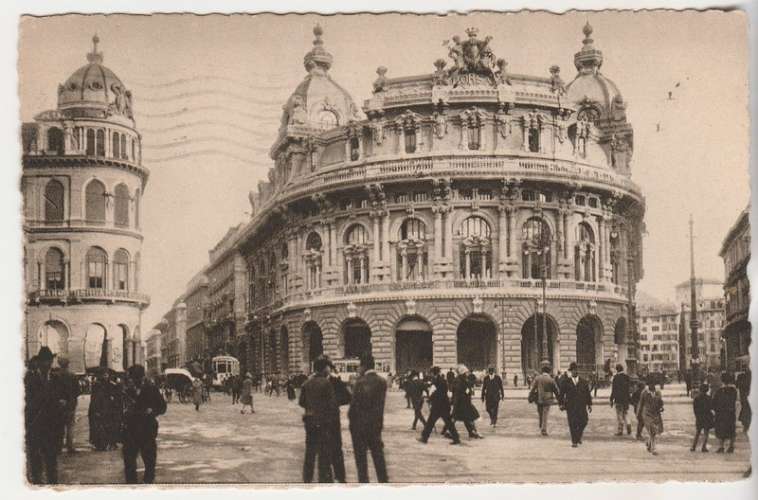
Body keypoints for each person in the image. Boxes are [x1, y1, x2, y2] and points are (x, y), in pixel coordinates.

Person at [25, 348, 66, 484]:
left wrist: (62, 403)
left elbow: (62, 400)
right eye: (44, 361)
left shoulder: (56, 379)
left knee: (51, 463)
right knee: (36, 463)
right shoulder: (29, 379)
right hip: (35, 426)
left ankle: (52, 488)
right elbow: (27, 402)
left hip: (52, 428)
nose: (47, 364)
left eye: (49, 360)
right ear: (39, 362)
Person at [122, 364, 167, 484]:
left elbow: (162, 407)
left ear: (142, 377)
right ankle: (131, 485)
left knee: (149, 459)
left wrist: (153, 410)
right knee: (129, 460)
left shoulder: (151, 389)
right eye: (132, 378)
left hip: (147, 428)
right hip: (130, 429)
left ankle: (148, 482)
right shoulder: (125, 390)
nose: (134, 381)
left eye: (137, 378)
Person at [348, 354, 389, 483]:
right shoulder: (382, 382)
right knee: (378, 458)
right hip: (376, 425)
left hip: (360, 427)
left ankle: (364, 486)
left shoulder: (360, 383)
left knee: (361, 462)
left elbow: (354, 407)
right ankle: (384, 483)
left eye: (359, 366)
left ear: (364, 366)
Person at [299, 356, 339, 483]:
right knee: (324, 454)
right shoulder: (326, 383)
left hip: (310, 422)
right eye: (327, 367)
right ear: (323, 369)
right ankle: (324, 481)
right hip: (323, 423)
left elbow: (301, 402)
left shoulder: (306, 383)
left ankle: (307, 479)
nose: (329, 369)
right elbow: (332, 404)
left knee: (310, 453)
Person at [418, 366, 460, 445]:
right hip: (443, 405)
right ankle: (456, 438)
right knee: (448, 423)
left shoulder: (438, 381)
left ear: (434, 373)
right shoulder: (441, 380)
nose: (431, 374)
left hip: (439, 406)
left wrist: (430, 399)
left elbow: (438, 393)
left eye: (431, 373)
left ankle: (424, 438)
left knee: (431, 422)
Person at [559, 362, 592, 448]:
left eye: (576, 370)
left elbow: (587, 394)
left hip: (581, 405)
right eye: (573, 370)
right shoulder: (566, 382)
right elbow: (561, 394)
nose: (575, 371)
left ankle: (578, 436)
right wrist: (561, 404)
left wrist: (589, 404)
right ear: (571, 371)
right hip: (570, 406)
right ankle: (574, 441)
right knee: (572, 423)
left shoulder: (584, 382)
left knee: (584, 421)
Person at [328, 366, 351, 483]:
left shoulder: (335, 382)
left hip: (325, 420)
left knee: (331, 448)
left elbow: (347, 397)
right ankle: (334, 477)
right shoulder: (333, 381)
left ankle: (335, 477)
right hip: (326, 420)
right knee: (330, 448)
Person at [55, 356, 80, 454]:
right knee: (70, 426)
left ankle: (58, 447)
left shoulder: (56, 376)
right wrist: (72, 399)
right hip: (70, 404)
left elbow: (54, 391)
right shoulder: (73, 376)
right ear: (68, 365)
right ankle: (70, 447)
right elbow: (77, 391)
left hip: (59, 404)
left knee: (59, 426)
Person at [451, 365, 483, 439]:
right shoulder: (459, 381)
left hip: (465, 403)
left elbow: (467, 389)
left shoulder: (464, 380)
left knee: (468, 419)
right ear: (462, 373)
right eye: (466, 373)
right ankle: (450, 431)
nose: (467, 374)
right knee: (460, 418)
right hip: (461, 404)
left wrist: (470, 390)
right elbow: (457, 393)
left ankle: (472, 432)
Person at [530, 362, 559, 436]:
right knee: (545, 414)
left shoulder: (538, 378)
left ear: (542, 371)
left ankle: (541, 424)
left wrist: (530, 396)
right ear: (549, 371)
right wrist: (559, 399)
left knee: (540, 413)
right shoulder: (551, 379)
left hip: (539, 398)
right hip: (548, 399)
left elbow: (533, 388)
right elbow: (556, 390)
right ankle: (544, 429)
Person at [712, 372, 738, 453]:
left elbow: (714, 402)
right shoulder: (734, 390)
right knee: (731, 429)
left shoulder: (719, 391)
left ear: (722, 380)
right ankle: (731, 446)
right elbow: (736, 401)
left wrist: (715, 410)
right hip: (731, 412)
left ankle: (721, 447)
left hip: (721, 413)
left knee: (721, 429)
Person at [637, 379, 664, 455]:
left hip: (655, 413)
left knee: (653, 431)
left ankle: (649, 444)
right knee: (652, 429)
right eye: (650, 384)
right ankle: (654, 449)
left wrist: (661, 407)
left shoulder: (658, 392)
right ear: (648, 385)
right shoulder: (644, 393)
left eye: (653, 384)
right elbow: (641, 404)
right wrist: (638, 414)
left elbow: (660, 402)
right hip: (647, 414)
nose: (651, 385)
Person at [610, 363, 632, 436]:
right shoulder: (627, 377)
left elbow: (614, 390)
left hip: (618, 399)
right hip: (625, 399)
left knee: (619, 414)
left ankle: (620, 430)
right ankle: (628, 424)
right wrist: (629, 399)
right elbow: (629, 389)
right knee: (625, 413)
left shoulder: (616, 378)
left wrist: (611, 399)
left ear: (617, 369)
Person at [691, 383, 714, 452]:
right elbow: (711, 407)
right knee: (706, 432)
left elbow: (695, 408)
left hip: (699, 416)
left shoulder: (697, 398)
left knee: (697, 432)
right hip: (707, 416)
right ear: (707, 390)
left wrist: (697, 415)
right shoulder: (709, 398)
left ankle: (693, 446)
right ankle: (704, 446)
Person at [736, 366, 751, 433]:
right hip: (747, 396)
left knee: (746, 409)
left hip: (744, 397)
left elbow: (737, 385)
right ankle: (747, 426)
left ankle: (746, 426)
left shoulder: (741, 376)